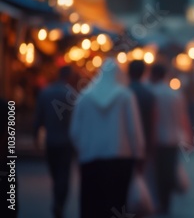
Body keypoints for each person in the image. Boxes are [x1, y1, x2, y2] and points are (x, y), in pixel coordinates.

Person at [70, 58, 144, 218]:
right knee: (116, 204)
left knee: (92, 205)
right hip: (120, 159)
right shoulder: (125, 96)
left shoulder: (85, 97)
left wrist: (83, 150)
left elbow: (75, 130)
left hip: (90, 160)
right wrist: (138, 153)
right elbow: (134, 129)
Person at [147, 63, 192, 215]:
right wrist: (188, 137)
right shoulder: (174, 94)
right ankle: (166, 202)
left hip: (157, 139)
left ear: (153, 75)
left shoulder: (150, 92)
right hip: (173, 138)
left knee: (157, 173)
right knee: (168, 170)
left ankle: (159, 201)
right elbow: (183, 117)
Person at [33, 66, 75, 218]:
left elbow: (38, 119)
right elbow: (74, 122)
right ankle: (59, 203)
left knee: (55, 174)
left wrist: (36, 138)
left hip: (51, 141)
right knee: (63, 175)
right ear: (69, 77)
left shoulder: (45, 93)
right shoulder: (70, 94)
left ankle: (57, 202)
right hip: (66, 142)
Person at [127, 60, 156, 156]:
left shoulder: (123, 93)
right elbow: (153, 120)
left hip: (125, 143)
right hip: (144, 140)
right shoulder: (148, 94)